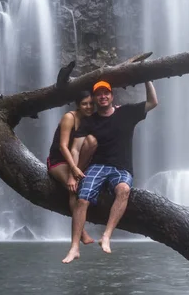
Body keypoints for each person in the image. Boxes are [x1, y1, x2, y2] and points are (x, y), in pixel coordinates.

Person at [62, 80, 158, 263]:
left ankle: (106, 236)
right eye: (99, 94)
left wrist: (147, 79)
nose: (103, 96)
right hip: (98, 166)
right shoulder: (90, 122)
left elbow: (153, 102)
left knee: (124, 190)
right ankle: (74, 247)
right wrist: (72, 174)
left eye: (106, 93)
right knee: (82, 199)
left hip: (122, 167)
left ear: (112, 96)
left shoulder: (127, 112)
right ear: (95, 98)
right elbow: (75, 149)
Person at [47, 90, 97, 245]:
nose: (88, 107)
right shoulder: (70, 117)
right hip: (58, 160)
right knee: (74, 189)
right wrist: (73, 169)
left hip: (79, 161)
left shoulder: (91, 120)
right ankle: (81, 232)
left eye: (91, 104)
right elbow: (63, 146)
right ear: (78, 105)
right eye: (84, 104)